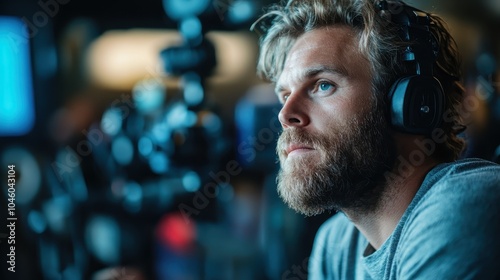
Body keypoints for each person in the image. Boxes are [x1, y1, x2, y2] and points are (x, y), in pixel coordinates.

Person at [251, 0, 500, 279]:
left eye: (323, 85)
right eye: (285, 95)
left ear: (407, 104)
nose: (286, 115)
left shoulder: (464, 206)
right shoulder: (335, 244)